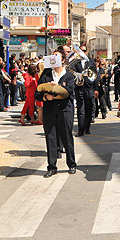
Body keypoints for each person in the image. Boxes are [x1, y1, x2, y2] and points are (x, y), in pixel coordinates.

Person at [35, 47, 77, 178]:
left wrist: (57, 88)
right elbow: (37, 92)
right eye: (52, 57)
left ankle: (72, 164)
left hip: (65, 110)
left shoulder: (69, 74)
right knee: (50, 138)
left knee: (66, 137)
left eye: (56, 57)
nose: (53, 59)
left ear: (63, 59)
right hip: (50, 110)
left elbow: (70, 91)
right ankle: (52, 167)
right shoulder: (46, 74)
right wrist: (44, 97)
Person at [74, 45, 97, 136]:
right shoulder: (75, 62)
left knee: (89, 108)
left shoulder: (91, 61)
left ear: (86, 52)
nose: (82, 52)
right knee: (80, 110)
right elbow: (72, 72)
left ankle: (87, 127)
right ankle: (80, 130)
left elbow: (95, 75)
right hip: (79, 88)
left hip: (89, 88)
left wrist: (96, 88)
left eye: (83, 50)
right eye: (80, 50)